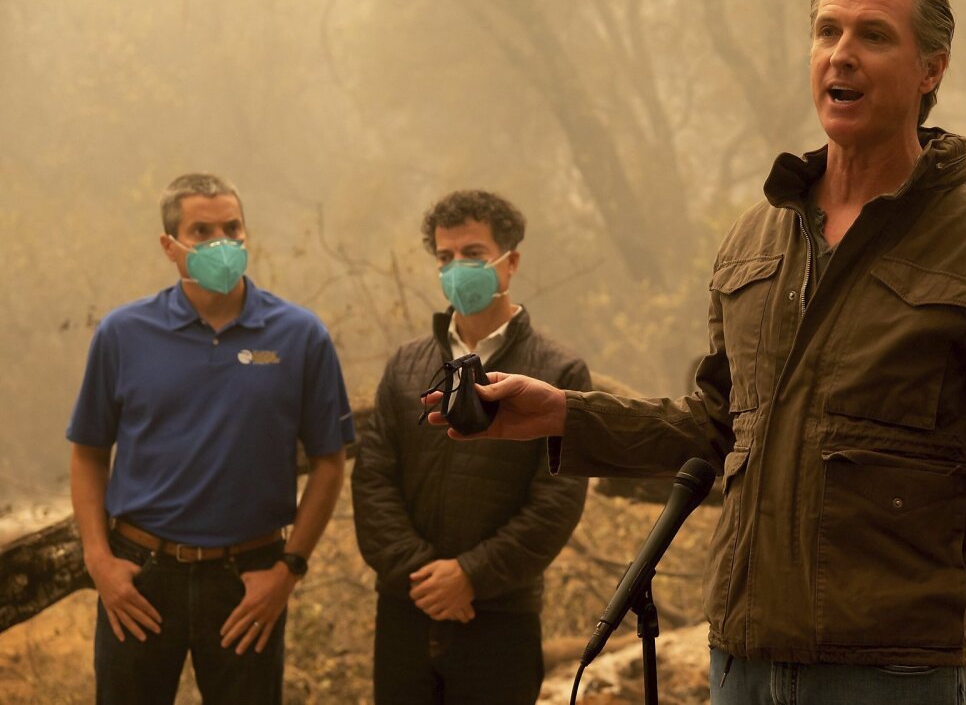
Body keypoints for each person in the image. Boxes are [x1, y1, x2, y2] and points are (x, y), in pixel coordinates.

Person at [428, 0, 966, 704]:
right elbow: (715, 430)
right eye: (828, 31)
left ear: (931, 70)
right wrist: (563, 416)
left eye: (873, 36)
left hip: (896, 673)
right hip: (741, 663)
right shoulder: (756, 239)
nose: (842, 54)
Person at [67, 173, 354, 704]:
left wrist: (288, 570)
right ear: (170, 246)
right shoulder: (122, 334)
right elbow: (88, 452)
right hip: (140, 578)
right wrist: (100, 562)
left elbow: (330, 463)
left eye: (232, 227)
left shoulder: (300, 335)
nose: (221, 242)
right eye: (201, 231)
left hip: (249, 581)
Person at [352, 189, 591, 705]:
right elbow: (371, 480)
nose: (457, 267)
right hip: (404, 610)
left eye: (473, 255)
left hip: (501, 616)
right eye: (445, 257)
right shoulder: (405, 366)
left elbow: (556, 502)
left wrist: (470, 576)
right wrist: (423, 574)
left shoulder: (558, 372)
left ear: (511, 262)